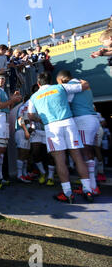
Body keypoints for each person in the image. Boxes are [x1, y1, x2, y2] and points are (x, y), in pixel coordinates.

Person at [28, 72, 93, 204]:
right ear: (50, 81)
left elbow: (30, 115)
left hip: (51, 127)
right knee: (78, 157)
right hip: (68, 122)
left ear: (38, 83)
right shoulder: (61, 87)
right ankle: (88, 190)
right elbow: (85, 86)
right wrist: (82, 80)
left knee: (60, 160)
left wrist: (41, 118)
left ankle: (68, 193)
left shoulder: (33, 97)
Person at [56, 70, 100, 196]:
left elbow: (66, 104)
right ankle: (92, 185)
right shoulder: (83, 84)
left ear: (62, 79)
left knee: (83, 153)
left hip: (82, 120)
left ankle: (91, 186)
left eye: (59, 82)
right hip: (92, 119)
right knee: (88, 151)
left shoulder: (71, 87)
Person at [0, 72, 22, 189]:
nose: (1, 80)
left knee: (2, 148)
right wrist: (11, 100)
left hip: (4, 117)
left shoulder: (2, 91)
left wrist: (13, 99)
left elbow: (8, 107)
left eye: (3, 79)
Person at [14, 95, 32, 183]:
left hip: (26, 132)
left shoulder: (29, 108)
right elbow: (20, 119)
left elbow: (27, 120)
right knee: (22, 153)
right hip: (21, 132)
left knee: (26, 154)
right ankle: (19, 175)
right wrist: (26, 131)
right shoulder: (23, 107)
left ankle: (25, 173)